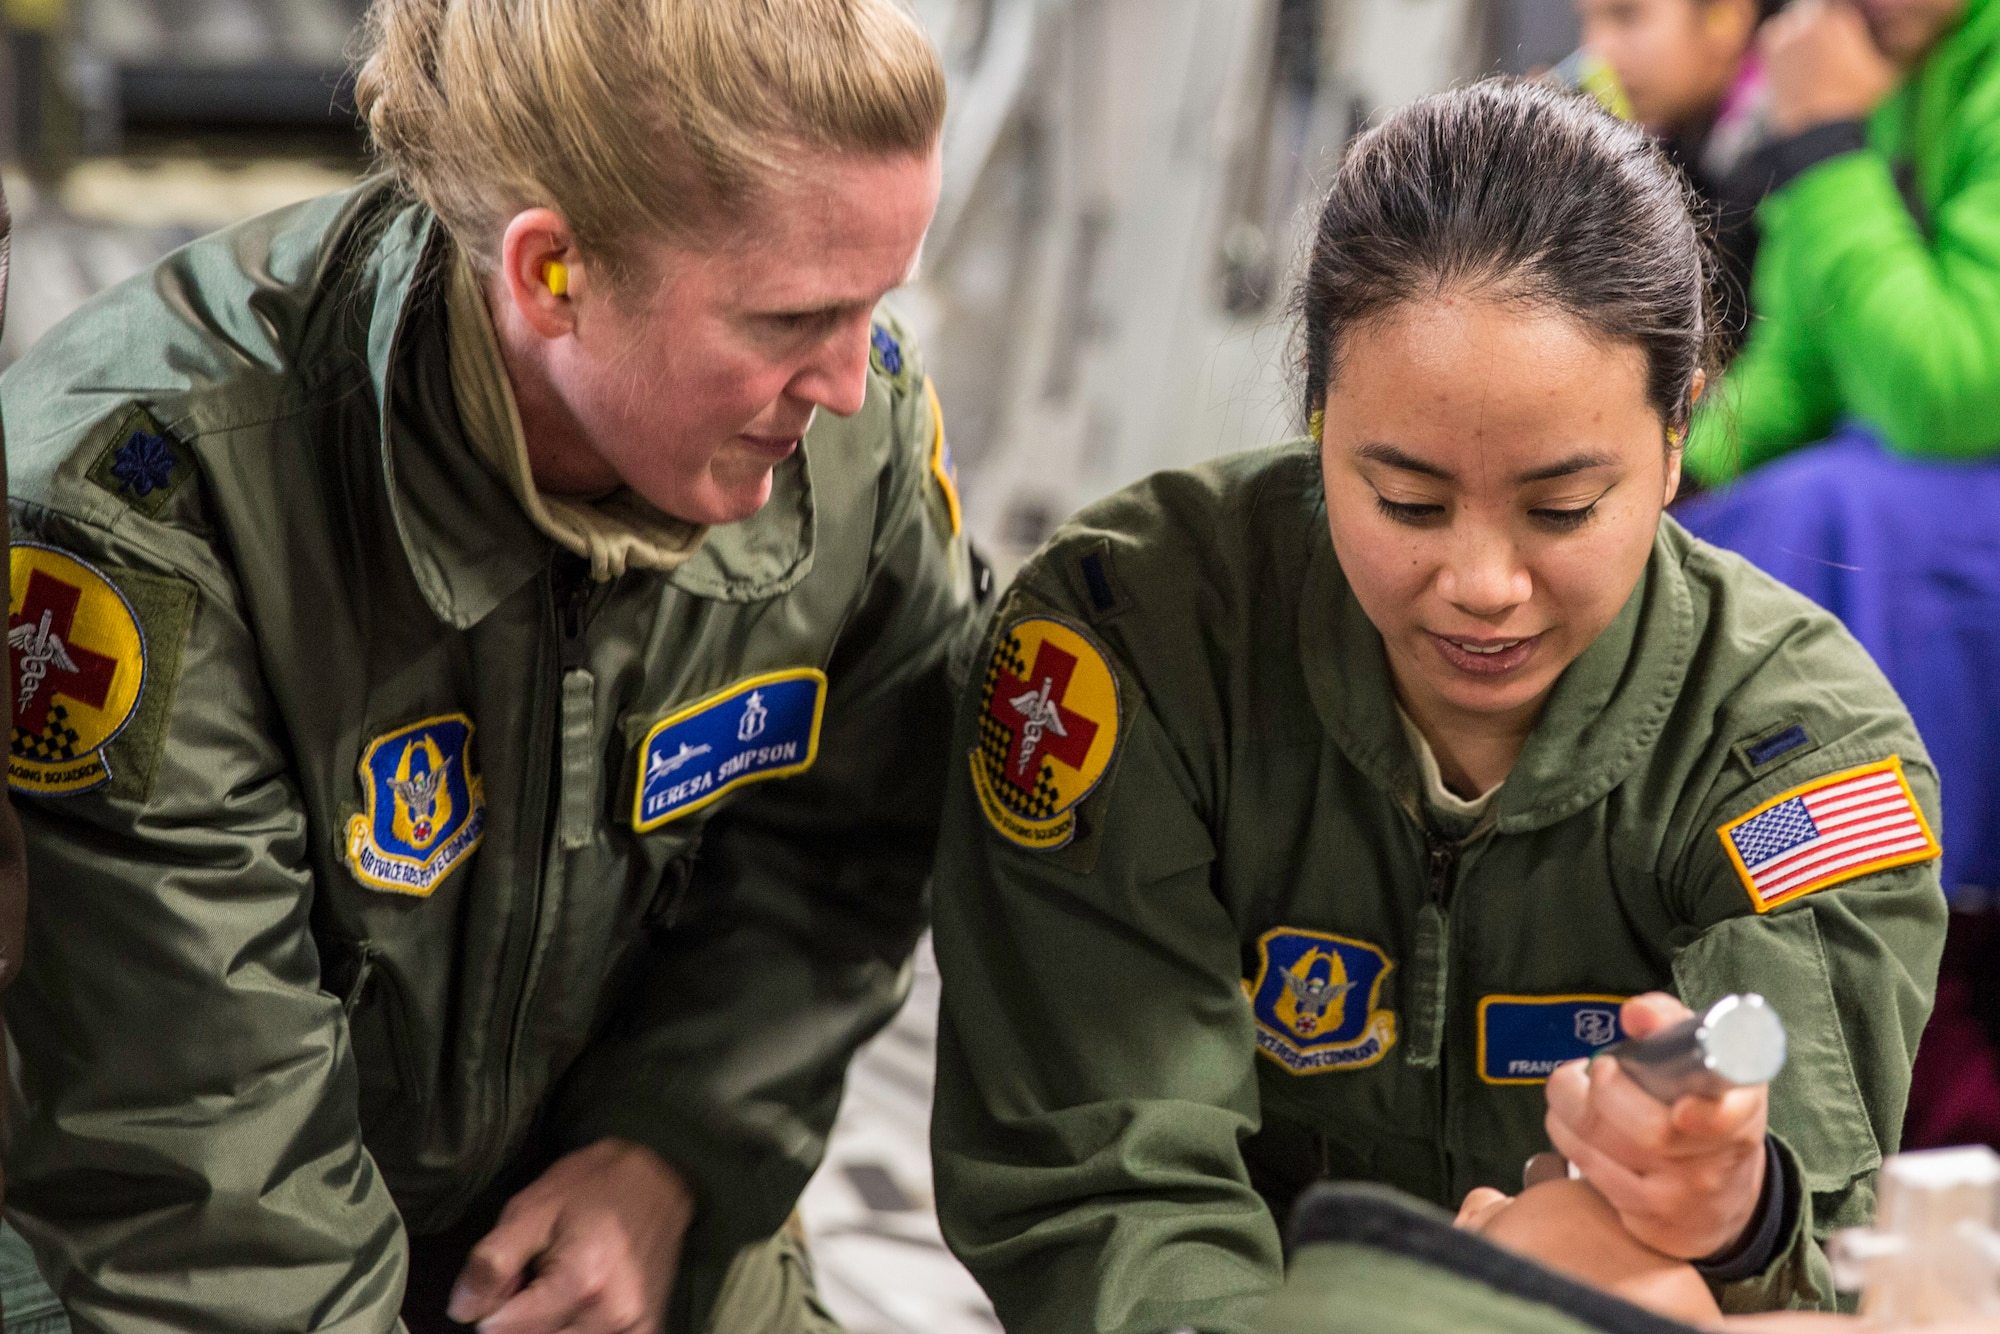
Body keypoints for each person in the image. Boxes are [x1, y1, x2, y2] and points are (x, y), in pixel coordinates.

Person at [0, 1, 986, 1331]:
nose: (852, 386)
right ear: (551, 275)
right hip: (142, 1247)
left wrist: (672, 1149)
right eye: (794, 316)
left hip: (590, 1192)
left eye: (875, 303)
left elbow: (841, 851)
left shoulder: (849, 455)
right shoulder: (152, 532)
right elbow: (203, 1185)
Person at [928, 79, 1946, 1334]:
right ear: (1314, 416)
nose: (1480, 587)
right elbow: (1103, 1188)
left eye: (1561, 507)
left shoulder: (1800, 756)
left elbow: (1818, 1241)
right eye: (1406, 502)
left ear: (1676, 434)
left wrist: (1732, 1208)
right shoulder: (1129, 643)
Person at [1681, 0, 2000, 480]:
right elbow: (1798, 367)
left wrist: (1825, 140)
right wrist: (1682, 476)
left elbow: (1951, 403)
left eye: (1627, 16)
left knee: (1826, 501)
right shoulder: (1884, 64)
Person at [1572, 0, 1778, 355]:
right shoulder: (1673, 138)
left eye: (1627, 16)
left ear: (1727, 18)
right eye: (1588, 22)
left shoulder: (1790, 152)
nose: (1596, 53)